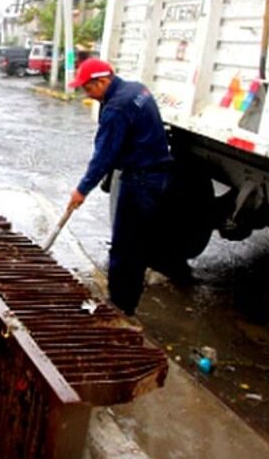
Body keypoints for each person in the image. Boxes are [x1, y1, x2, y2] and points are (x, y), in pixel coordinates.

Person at [65, 58, 188, 316]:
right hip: (158, 174)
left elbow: (104, 156)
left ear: (102, 81)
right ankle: (129, 298)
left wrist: (82, 190)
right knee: (140, 240)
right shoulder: (136, 89)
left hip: (141, 179)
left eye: (88, 88)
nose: (87, 94)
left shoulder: (117, 109)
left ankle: (121, 306)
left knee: (125, 245)